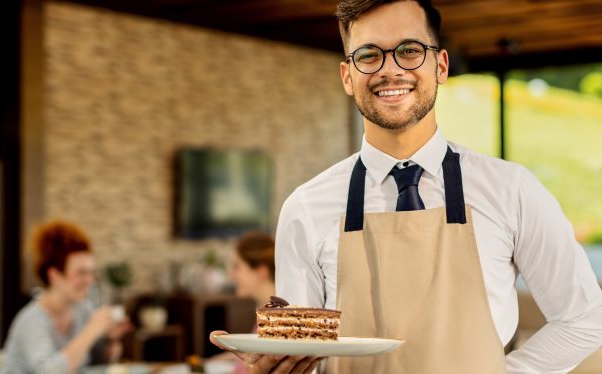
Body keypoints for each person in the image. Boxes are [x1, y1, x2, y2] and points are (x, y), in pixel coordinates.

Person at [212, 0, 602, 373]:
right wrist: (277, 367)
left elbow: (585, 318)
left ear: (441, 66)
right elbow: (300, 352)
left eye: (410, 50)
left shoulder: (511, 190)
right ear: (348, 76)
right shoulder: (306, 207)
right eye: (368, 55)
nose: (390, 69)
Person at [0, 220, 132, 374]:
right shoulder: (32, 321)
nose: (90, 280)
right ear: (54, 275)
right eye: (82, 273)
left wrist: (111, 339)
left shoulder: (83, 309)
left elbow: (99, 362)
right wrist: (91, 330)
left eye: (91, 272)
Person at [210, 232, 283, 374]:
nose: (231, 275)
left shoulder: (274, 318)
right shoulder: (268, 310)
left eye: (237, 267)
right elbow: (255, 353)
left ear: (261, 271)